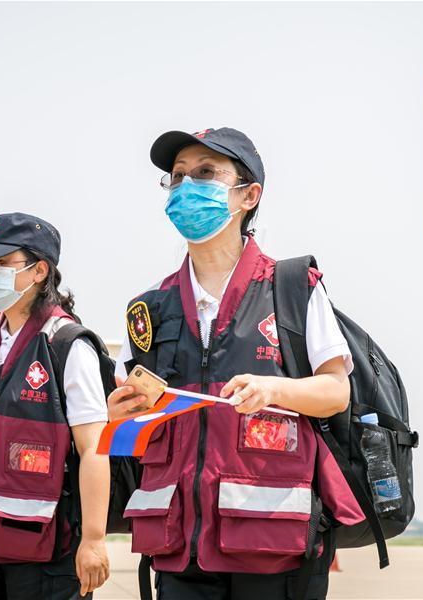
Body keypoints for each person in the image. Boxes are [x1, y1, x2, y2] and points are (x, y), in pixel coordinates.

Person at [108, 128, 365, 599]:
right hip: (179, 548)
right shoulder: (149, 307)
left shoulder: (292, 288)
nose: (186, 187)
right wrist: (121, 411)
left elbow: (336, 392)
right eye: (177, 177)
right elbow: (132, 422)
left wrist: (274, 390)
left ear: (248, 196)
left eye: (205, 174)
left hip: (274, 543)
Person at [0, 213, 111, 600]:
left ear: (39, 270)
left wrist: (93, 540)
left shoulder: (68, 345)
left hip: (44, 548)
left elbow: (94, 447)